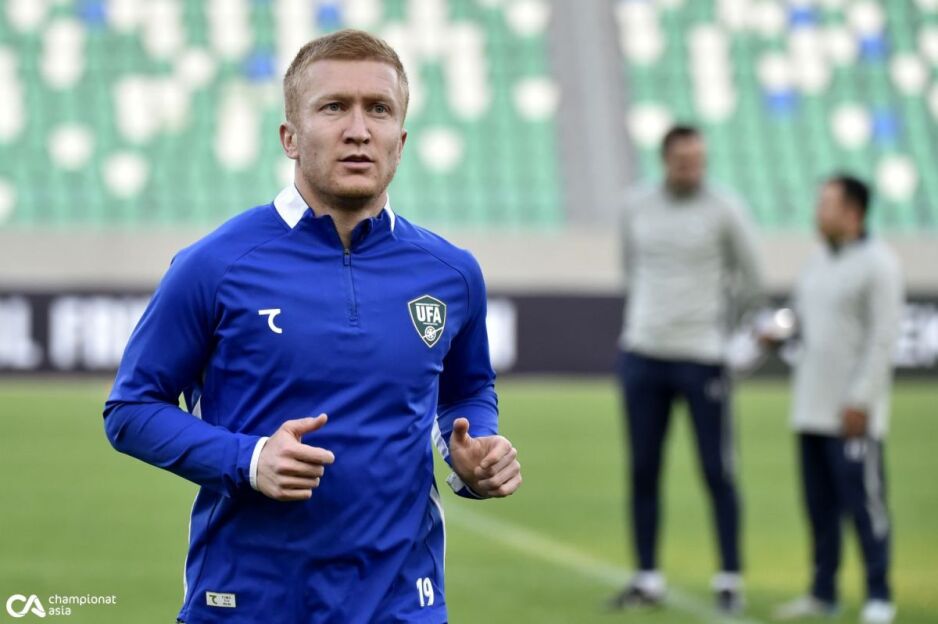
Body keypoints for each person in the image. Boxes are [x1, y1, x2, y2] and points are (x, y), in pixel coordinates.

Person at [103, 29, 521, 624]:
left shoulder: (451, 273)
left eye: (379, 110)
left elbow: (466, 392)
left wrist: (473, 456)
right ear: (290, 138)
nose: (359, 130)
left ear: (400, 141)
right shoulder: (214, 265)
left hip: (403, 602)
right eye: (334, 107)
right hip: (247, 602)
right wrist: (249, 460)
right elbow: (130, 410)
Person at [610, 125, 765, 614]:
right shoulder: (636, 206)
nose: (692, 168)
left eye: (698, 160)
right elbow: (630, 268)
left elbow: (754, 281)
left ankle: (729, 578)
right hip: (644, 351)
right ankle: (647, 577)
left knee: (718, 469)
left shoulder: (725, 208)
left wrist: (727, 333)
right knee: (643, 469)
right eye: (683, 161)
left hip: (702, 356)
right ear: (665, 160)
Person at [772, 175, 902, 624]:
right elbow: (799, 316)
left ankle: (879, 595)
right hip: (811, 408)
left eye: (826, 204)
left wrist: (861, 400)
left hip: (852, 413)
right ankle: (822, 591)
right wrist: (777, 330)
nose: (818, 212)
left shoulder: (879, 264)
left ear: (853, 212)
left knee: (865, 507)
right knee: (819, 510)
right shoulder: (816, 262)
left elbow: (884, 339)